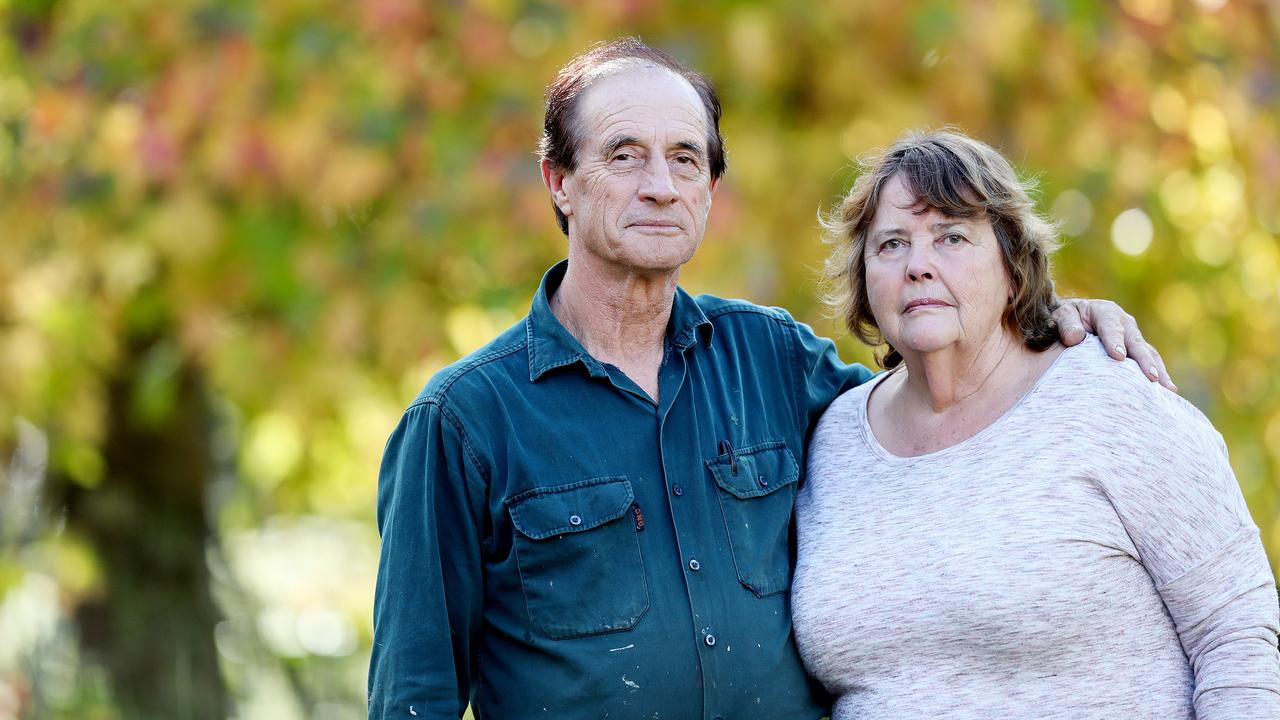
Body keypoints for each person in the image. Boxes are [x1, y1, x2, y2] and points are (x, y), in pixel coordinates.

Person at [368, 40, 1168, 720]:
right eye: (624, 156)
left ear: (710, 191)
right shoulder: (464, 423)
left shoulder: (774, 361)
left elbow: (943, 403)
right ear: (559, 183)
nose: (660, 185)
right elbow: (415, 694)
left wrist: (1045, 322)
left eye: (686, 159)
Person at [792, 129, 1280, 719]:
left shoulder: (1109, 400)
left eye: (951, 237)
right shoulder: (833, 436)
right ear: (865, 280)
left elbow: (1237, 632)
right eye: (891, 244)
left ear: (1013, 267)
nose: (918, 266)